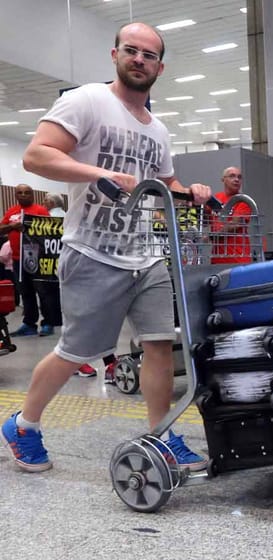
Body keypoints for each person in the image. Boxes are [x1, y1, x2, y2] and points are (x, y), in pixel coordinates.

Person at [3, 22, 211, 473]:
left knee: (159, 345)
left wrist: (187, 190)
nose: (140, 59)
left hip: (146, 253)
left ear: (160, 66)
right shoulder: (87, 100)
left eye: (149, 55)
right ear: (114, 53)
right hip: (93, 252)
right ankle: (24, 424)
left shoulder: (158, 128)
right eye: (131, 51)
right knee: (78, 352)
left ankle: (160, 434)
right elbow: (36, 155)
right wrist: (96, 174)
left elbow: (164, 181)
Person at [43, 194, 93, 376]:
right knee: (78, 320)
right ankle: (76, 361)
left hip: (87, 268)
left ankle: (86, 361)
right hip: (73, 267)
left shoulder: (63, 218)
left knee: (90, 319)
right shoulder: (68, 218)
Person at [0, 184, 59, 338]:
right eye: (20, 193)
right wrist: (12, 226)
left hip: (38, 260)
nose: (24, 195)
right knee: (25, 292)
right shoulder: (11, 212)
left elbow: (50, 231)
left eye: (27, 192)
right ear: (16, 195)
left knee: (43, 292)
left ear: (32, 195)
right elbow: (1, 228)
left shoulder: (40, 211)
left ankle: (48, 323)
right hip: (18, 260)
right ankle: (29, 324)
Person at [211, 166, 252, 264]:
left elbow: (235, 224)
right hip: (217, 258)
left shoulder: (243, 200)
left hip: (238, 258)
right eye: (232, 176)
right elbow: (204, 217)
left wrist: (211, 236)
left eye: (239, 177)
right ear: (223, 179)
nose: (236, 179)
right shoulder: (216, 198)